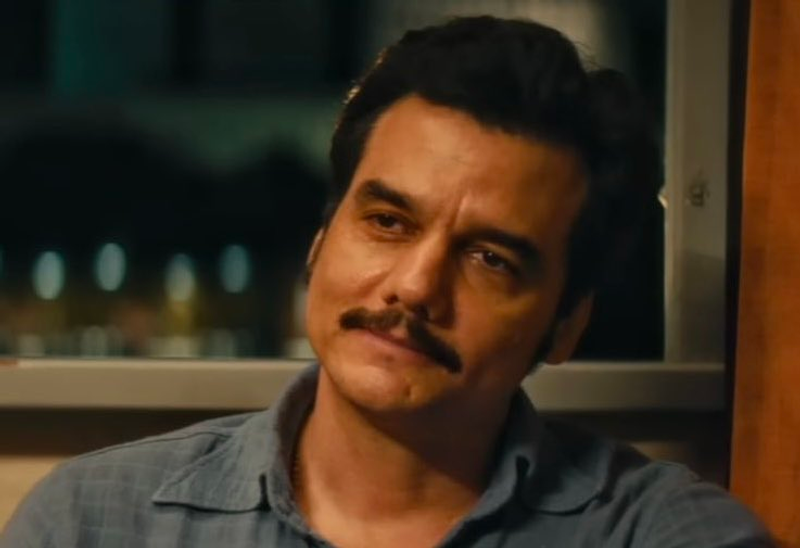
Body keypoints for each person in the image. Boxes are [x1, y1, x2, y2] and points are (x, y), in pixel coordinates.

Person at [1, 16, 773, 548]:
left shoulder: (667, 536)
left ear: (566, 324)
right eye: (388, 222)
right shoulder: (94, 523)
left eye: (490, 259)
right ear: (320, 240)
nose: (414, 287)